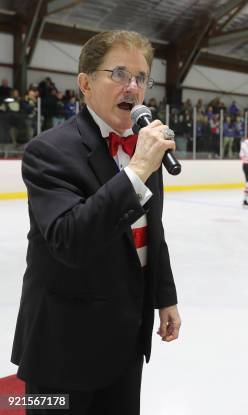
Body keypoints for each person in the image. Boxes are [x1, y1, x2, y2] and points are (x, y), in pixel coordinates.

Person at [11, 30, 180, 415]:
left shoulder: (144, 147)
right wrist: (136, 170)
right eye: (119, 73)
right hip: (62, 345)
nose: (132, 87)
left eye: (141, 78)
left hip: (125, 338)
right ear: (85, 84)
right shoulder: (48, 151)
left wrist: (164, 296)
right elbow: (70, 239)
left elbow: (151, 230)